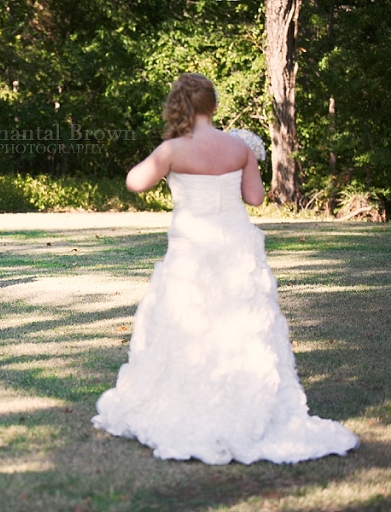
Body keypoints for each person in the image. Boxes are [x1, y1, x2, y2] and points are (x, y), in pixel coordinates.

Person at [92, 73, 359, 464]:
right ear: (213, 106)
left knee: (190, 322)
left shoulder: (171, 150)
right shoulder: (238, 147)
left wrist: (163, 159)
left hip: (192, 249)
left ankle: (190, 401)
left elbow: (135, 182)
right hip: (236, 245)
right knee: (240, 324)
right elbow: (255, 197)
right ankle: (246, 400)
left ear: (179, 106)